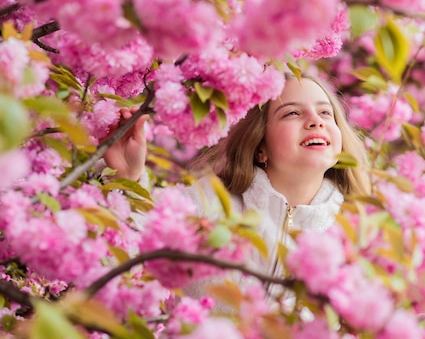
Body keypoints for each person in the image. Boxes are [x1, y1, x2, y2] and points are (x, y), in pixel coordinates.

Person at [104, 72, 371, 302]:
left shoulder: (354, 230)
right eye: (292, 113)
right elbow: (132, 250)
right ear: (260, 147)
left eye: (326, 112)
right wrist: (127, 177)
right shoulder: (212, 201)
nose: (316, 120)